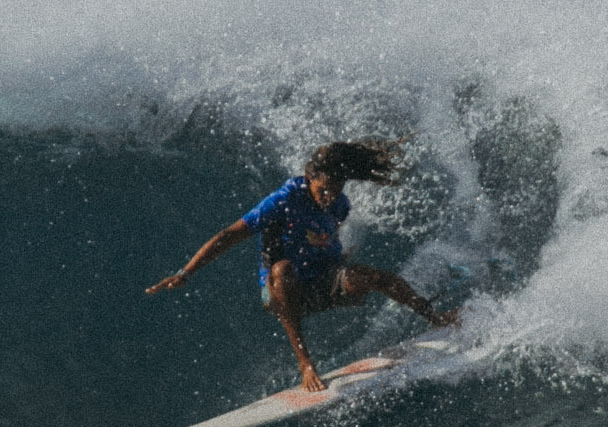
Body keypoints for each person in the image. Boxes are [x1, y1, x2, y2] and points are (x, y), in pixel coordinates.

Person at [149, 138, 459, 392]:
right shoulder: (282, 201)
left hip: (322, 281)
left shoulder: (339, 205)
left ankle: (435, 317)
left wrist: (339, 262)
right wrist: (185, 272)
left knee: (375, 276)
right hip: (282, 291)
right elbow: (229, 235)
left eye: (334, 192)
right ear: (309, 178)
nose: (327, 198)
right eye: (322, 190)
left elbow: (325, 234)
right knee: (282, 271)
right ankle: (305, 365)